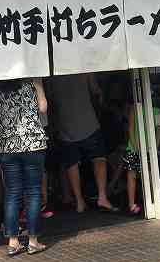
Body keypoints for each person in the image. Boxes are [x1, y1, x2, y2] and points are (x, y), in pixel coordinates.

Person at [0, 77, 49, 256]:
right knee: (33, 192)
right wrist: (39, 85)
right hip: (32, 144)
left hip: (8, 146)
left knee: (12, 193)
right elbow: (43, 108)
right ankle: (33, 241)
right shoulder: (31, 82)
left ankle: (13, 241)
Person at [47, 73, 117, 213]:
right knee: (99, 157)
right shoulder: (83, 68)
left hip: (65, 123)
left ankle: (79, 200)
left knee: (72, 163)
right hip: (88, 121)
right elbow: (96, 90)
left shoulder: (51, 74)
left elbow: (49, 98)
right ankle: (102, 196)